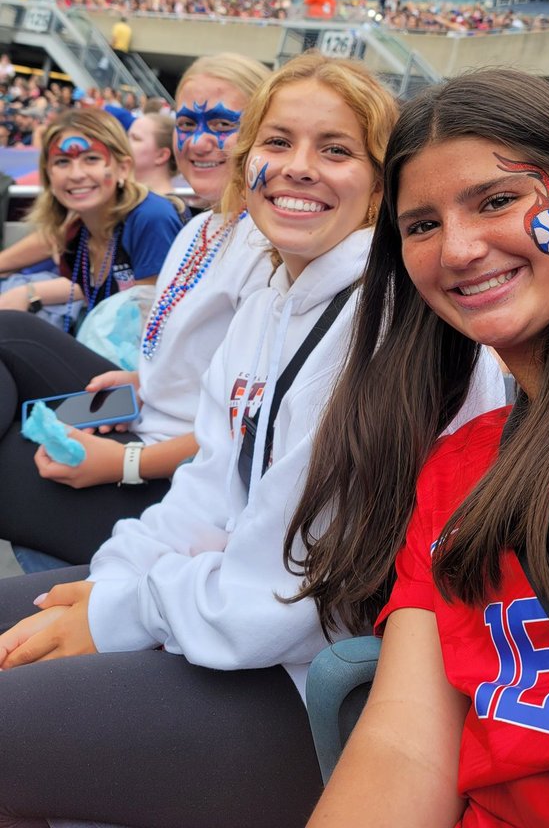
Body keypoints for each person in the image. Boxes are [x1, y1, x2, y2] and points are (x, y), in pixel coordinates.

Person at [0, 57, 503, 828]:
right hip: (233, 616)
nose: (299, 168)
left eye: (336, 150)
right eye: (279, 141)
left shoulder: (382, 329)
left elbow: (288, 594)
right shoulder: (272, 292)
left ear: (381, 184)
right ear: (250, 160)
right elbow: (209, 482)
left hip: (322, 689)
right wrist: (116, 583)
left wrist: (120, 617)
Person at [303, 68, 549, 827]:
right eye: (420, 225)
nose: (458, 249)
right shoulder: (459, 467)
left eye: (498, 200)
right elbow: (404, 746)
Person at [0, 53, 271, 564]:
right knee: (9, 329)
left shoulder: (271, 247)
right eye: (187, 124)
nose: (199, 141)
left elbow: (250, 430)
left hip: (176, 486)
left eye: (222, 125)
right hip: (145, 414)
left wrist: (125, 463)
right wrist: (143, 379)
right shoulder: (200, 227)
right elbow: (191, 355)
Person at [0, 107, 182, 320]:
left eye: (92, 159)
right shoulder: (78, 234)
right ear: (48, 174)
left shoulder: (151, 217)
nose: (76, 174)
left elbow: (150, 333)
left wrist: (31, 294)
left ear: (123, 168)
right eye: (62, 161)